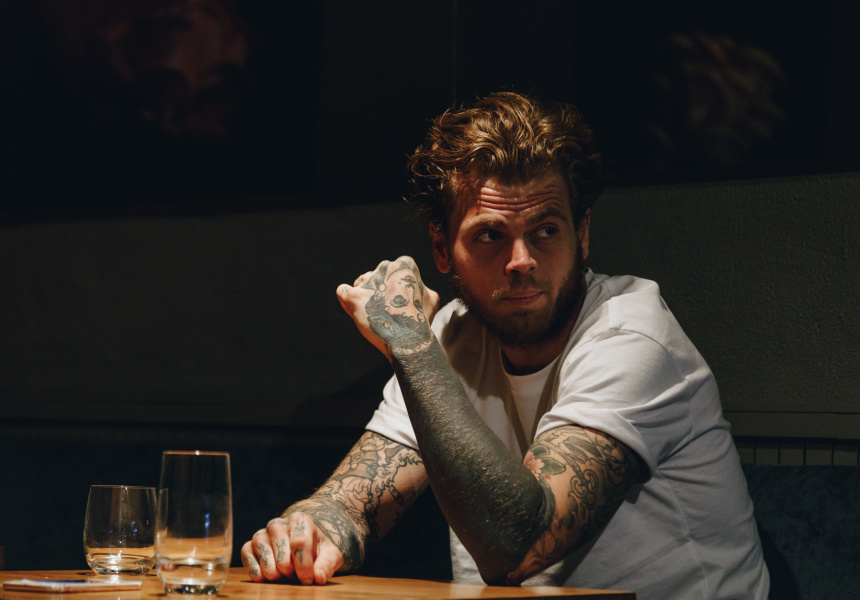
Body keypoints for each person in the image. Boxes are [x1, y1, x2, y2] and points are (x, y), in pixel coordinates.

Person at [241, 91, 770, 599]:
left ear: (582, 233)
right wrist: (307, 532)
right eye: (491, 235)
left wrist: (411, 345)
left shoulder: (630, 334)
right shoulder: (449, 337)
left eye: (546, 230)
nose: (521, 261)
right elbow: (351, 507)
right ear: (442, 249)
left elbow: (519, 545)